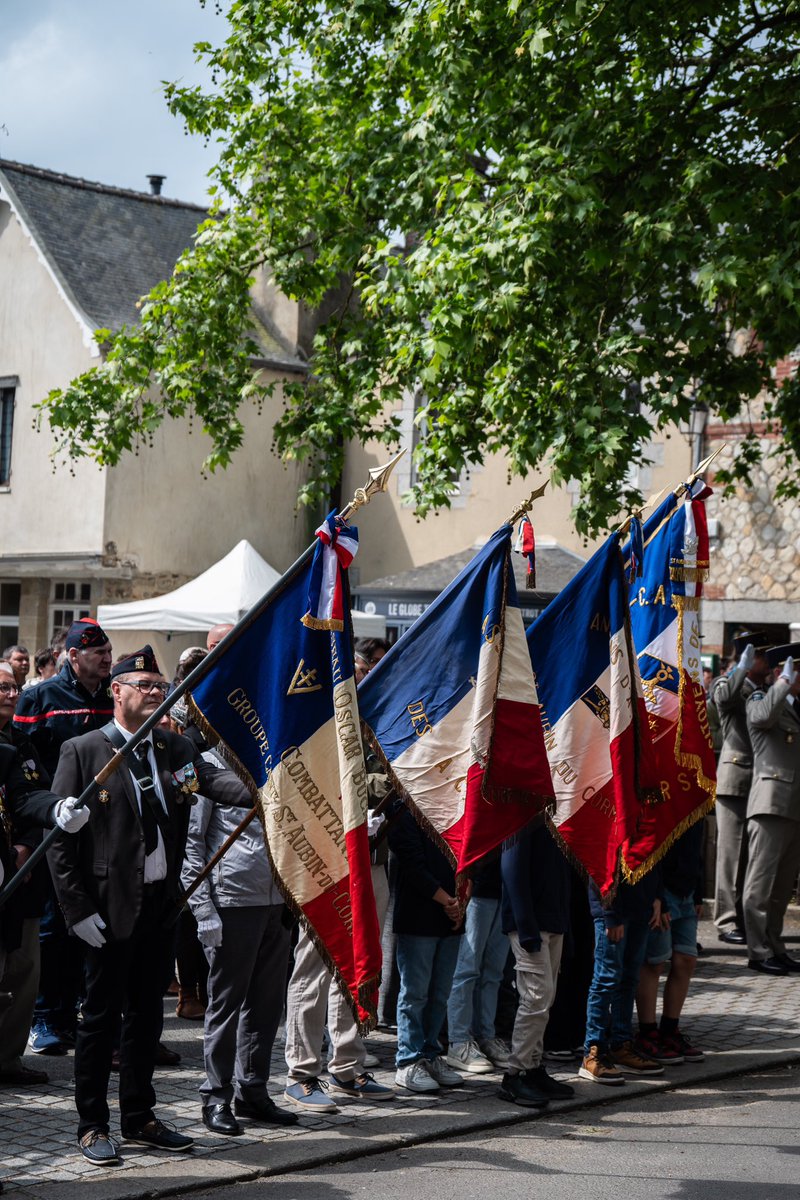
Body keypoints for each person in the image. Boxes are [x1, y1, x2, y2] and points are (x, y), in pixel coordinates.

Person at [47, 645, 253, 1165]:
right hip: (108, 909)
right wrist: (75, 911)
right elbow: (60, 841)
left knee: (146, 1019)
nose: (156, 693)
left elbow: (216, 783)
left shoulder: (172, 747)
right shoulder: (85, 750)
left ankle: (138, 1116)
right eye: (145, 685)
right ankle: (93, 1125)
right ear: (116, 691)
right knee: (99, 1021)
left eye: (161, 687)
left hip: (161, 905)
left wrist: (264, 787)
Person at [182, 750, 299, 1135]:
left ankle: (253, 1090)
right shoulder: (206, 766)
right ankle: (216, 1095)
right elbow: (192, 842)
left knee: (266, 1005)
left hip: (276, 900)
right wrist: (203, 909)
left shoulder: (274, 759)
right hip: (232, 901)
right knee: (226, 1006)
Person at [14, 618, 114, 1055]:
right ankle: (44, 1018)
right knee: (55, 926)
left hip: (104, 828)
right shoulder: (40, 696)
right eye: (98, 654)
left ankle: (74, 1011)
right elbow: (21, 762)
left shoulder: (115, 695)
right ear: (72, 657)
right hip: (54, 826)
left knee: (92, 924)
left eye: (109, 653)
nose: (107, 660)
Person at [0, 659, 89, 1088]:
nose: (9, 694)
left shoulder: (17, 747)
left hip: (21, 879)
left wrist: (49, 817)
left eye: (12, 687)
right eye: (1, 687)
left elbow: (30, 795)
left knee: (23, 971)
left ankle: (8, 1059)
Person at [498, 820, 574, 1108]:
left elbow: (562, 878)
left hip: (552, 921)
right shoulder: (522, 819)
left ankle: (533, 1066)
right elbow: (512, 871)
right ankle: (515, 1074)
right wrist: (527, 929)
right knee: (535, 998)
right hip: (530, 926)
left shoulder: (557, 819)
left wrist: (564, 926)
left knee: (546, 998)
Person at [389, 805, 464, 1094]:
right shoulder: (408, 814)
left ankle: (431, 1053)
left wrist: (460, 901)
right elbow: (412, 864)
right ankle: (408, 1060)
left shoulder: (453, 811)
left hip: (452, 915)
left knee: (440, 993)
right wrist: (448, 901)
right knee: (415, 993)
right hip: (419, 916)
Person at [742, 644, 800, 976]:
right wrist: (782, 684)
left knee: (781, 889)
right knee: (760, 885)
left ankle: (776, 946)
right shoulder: (760, 700)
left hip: (794, 807)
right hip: (770, 803)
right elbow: (762, 718)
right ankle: (757, 950)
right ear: (782, 672)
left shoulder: (796, 706)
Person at [712, 633, 772, 945]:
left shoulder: (765, 691)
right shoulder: (728, 683)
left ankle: (743, 916)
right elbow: (723, 699)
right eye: (764, 656)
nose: (770, 663)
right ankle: (725, 921)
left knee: (750, 858)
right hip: (735, 781)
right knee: (730, 855)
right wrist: (739, 667)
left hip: (760, 784)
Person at [579, 874, 665, 1086]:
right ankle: (593, 1052)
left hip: (641, 906)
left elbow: (655, 856)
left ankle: (621, 1045)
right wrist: (610, 913)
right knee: (606, 979)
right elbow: (604, 865)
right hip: (614, 909)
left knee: (629, 979)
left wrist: (657, 897)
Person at [635, 821, 706, 1064]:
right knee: (654, 963)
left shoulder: (696, 793)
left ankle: (670, 1029)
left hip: (687, 892)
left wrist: (699, 892)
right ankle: (648, 1032)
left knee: (686, 960)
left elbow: (697, 849)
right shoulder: (664, 794)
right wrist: (658, 896)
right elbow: (652, 847)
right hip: (663, 892)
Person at [445, 852, 511, 1075]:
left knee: (494, 972)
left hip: (505, 886)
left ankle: (486, 1035)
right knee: (467, 967)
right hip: (477, 884)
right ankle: (458, 1041)